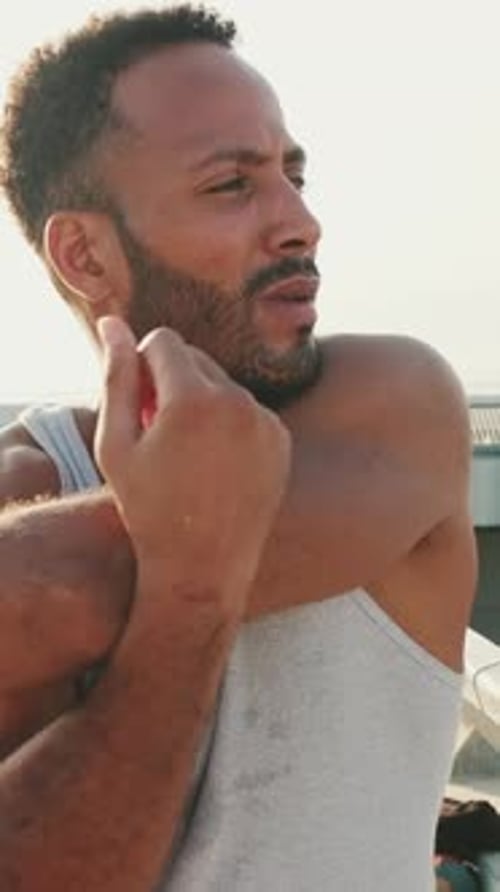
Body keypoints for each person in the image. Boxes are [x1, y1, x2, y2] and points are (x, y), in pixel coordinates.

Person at [0, 5, 477, 890]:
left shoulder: (393, 403)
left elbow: (51, 593)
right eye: (231, 185)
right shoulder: (30, 474)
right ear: (86, 256)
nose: (300, 221)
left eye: (294, 174)